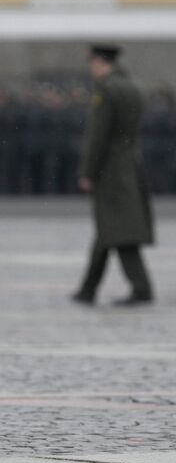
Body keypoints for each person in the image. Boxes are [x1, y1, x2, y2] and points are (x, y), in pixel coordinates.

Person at [71, 44, 155, 306]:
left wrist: (87, 171)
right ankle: (88, 289)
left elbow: (98, 135)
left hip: (110, 168)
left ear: (99, 62)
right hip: (130, 163)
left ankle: (140, 288)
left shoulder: (107, 90)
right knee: (110, 226)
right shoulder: (134, 86)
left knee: (116, 227)